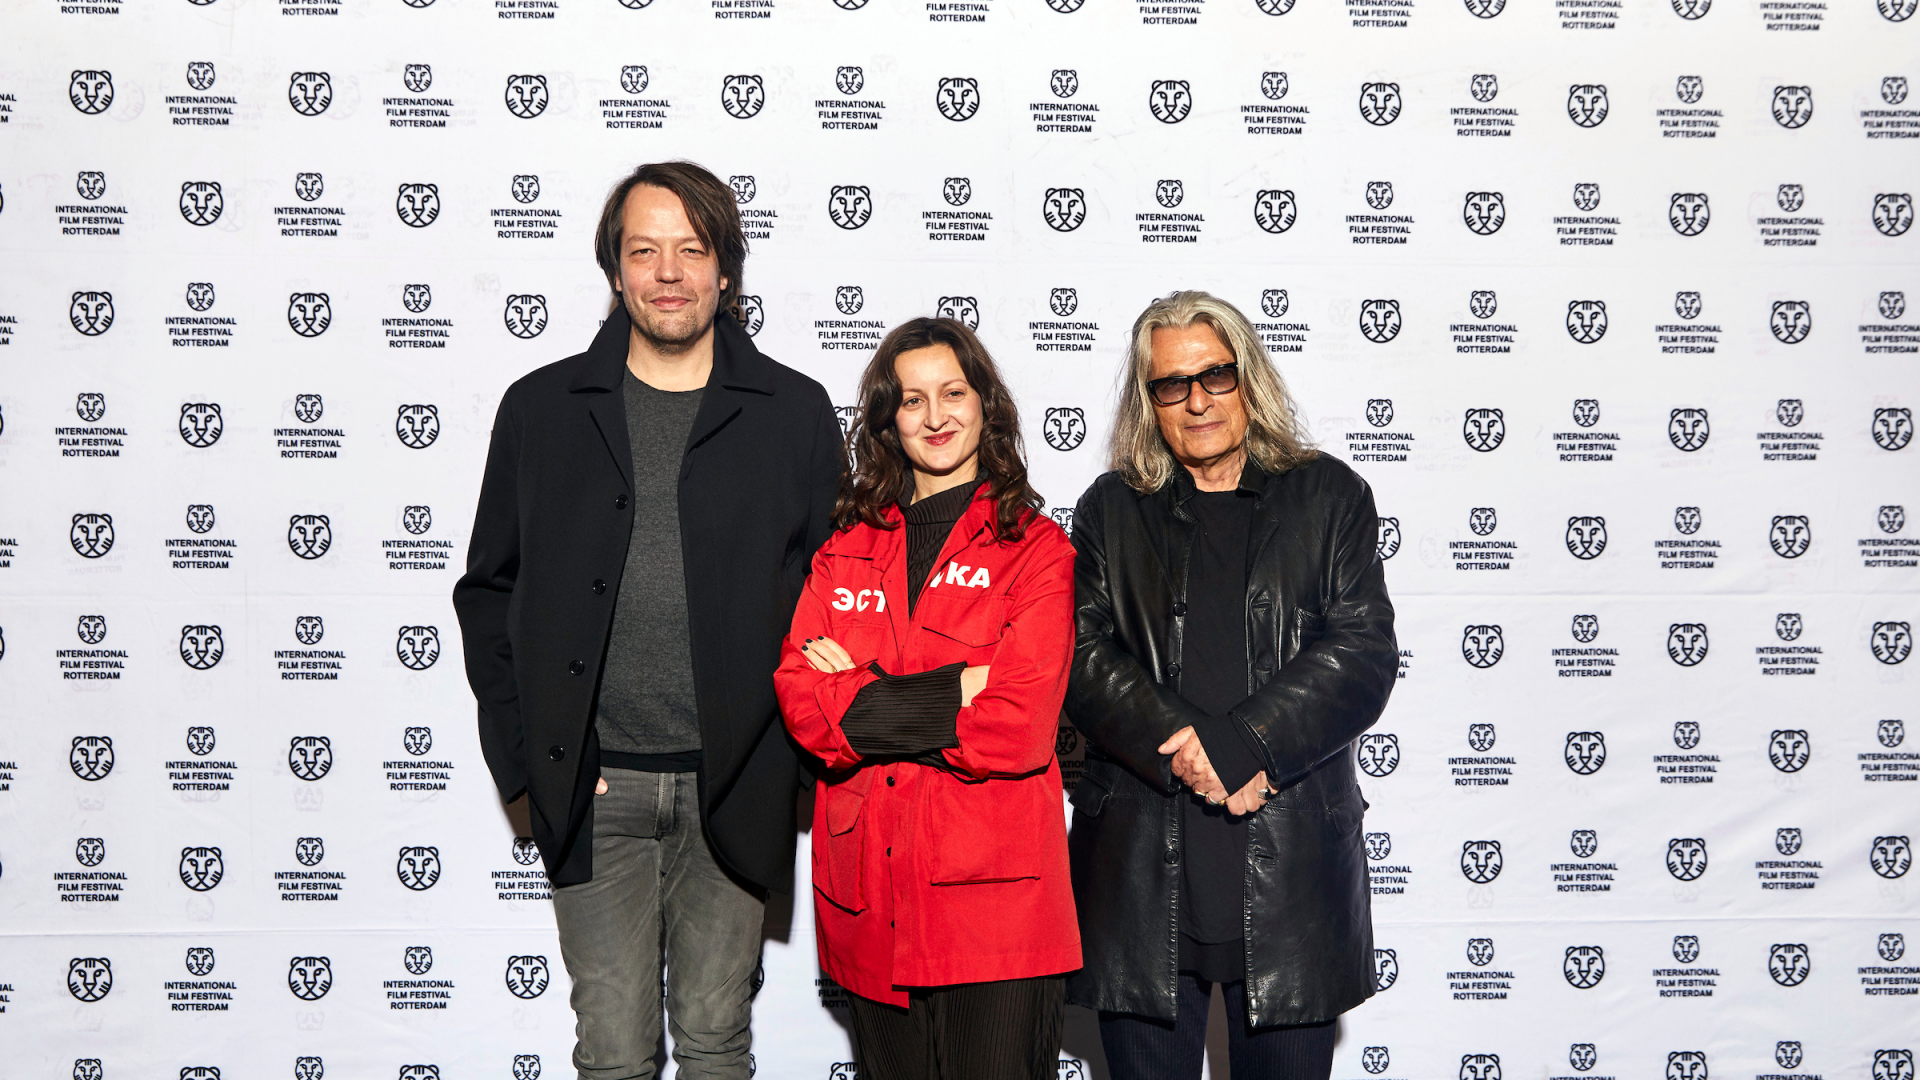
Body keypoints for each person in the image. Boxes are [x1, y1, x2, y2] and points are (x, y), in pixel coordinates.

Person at [452, 161, 842, 1079]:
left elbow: (837, 592)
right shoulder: (542, 408)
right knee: (614, 1053)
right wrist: (529, 762)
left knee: (715, 1042)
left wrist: (791, 764)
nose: (669, 272)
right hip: (595, 793)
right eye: (644, 251)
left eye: (692, 250)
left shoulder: (793, 412)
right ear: (615, 269)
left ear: (725, 270)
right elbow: (488, 593)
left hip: (735, 788)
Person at [1063, 290, 1398, 1080]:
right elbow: (1078, 653)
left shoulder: (1331, 496)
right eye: (1171, 384)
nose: (1198, 401)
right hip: (1140, 875)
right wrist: (1191, 748)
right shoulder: (1111, 508)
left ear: (1249, 377)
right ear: (1149, 401)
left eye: (1216, 375)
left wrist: (1246, 744)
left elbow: (1363, 652)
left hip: (1291, 877)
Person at [774, 317, 1081, 1080]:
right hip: (869, 906)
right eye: (912, 400)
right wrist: (954, 689)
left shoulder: (1037, 550)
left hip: (996, 911)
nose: (935, 416)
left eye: (953, 393)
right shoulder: (842, 549)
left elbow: (1019, 727)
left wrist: (862, 695)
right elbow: (804, 705)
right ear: (888, 420)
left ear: (985, 406)